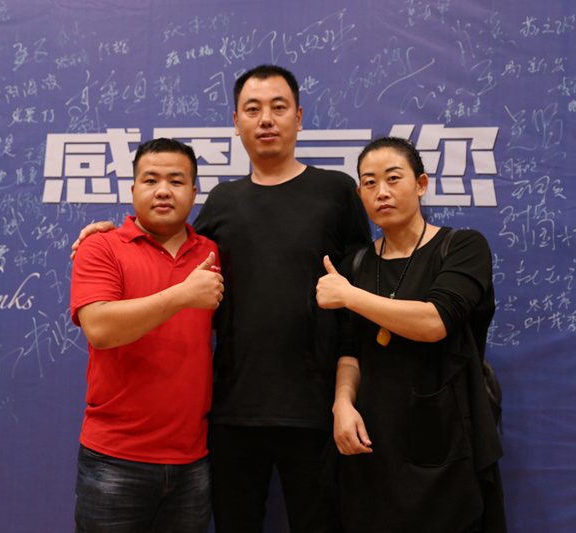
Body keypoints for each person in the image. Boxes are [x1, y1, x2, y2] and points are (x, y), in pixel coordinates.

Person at [72, 65, 371, 532]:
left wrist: (345, 396)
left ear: (299, 117)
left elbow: (359, 293)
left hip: (316, 410)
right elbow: (168, 239)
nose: (266, 119)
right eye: (253, 109)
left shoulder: (335, 192)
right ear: (236, 122)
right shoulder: (223, 203)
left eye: (278, 107)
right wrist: (102, 235)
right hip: (231, 414)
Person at [316, 137, 507, 532]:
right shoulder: (356, 263)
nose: (381, 192)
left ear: (420, 184)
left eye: (393, 178)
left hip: (445, 436)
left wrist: (350, 296)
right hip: (371, 439)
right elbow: (350, 351)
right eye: (369, 183)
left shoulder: (462, 246)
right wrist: (342, 404)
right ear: (360, 195)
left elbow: (435, 322)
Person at [70, 138, 224, 533]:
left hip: (193, 460)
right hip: (115, 458)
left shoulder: (210, 252)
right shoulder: (100, 247)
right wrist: (182, 295)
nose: (163, 191)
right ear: (133, 188)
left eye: (176, 181)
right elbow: (100, 329)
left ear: (194, 192)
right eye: (150, 180)